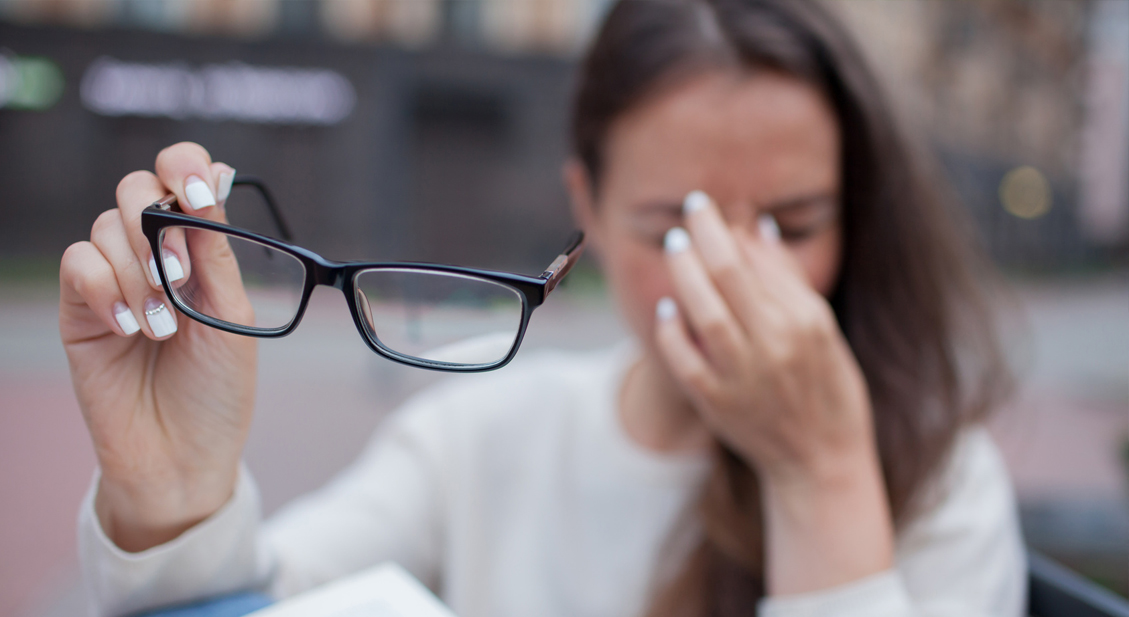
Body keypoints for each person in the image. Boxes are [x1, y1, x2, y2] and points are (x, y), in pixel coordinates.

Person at [60, 1, 1026, 616]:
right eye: (673, 228)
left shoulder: (936, 476)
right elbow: (255, 598)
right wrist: (172, 490)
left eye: (792, 220)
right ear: (587, 213)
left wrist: (821, 476)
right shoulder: (486, 425)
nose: (732, 275)